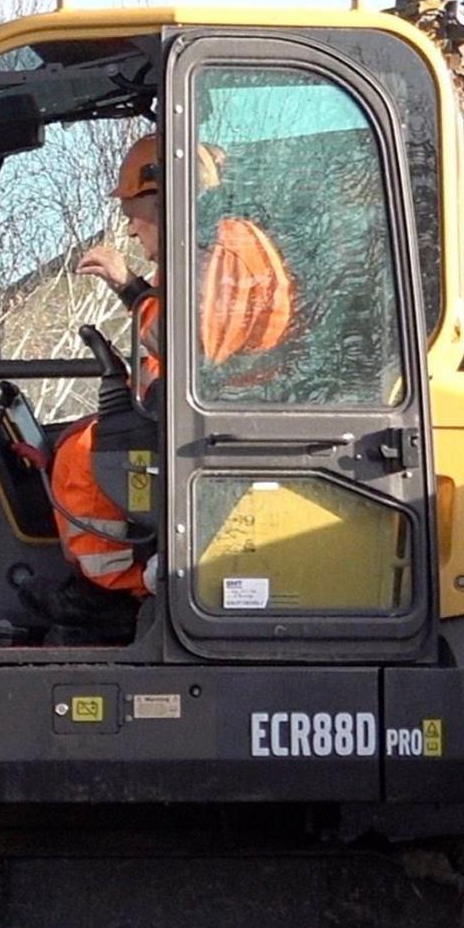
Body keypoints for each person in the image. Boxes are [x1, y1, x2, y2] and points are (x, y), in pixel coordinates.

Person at [48, 134, 299, 620]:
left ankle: (117, 593)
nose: (131, 233)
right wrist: (131, 289)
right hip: (222, 415)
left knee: (82, 456)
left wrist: (129, 287)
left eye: (133, 217)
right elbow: (178, 333)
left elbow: (193, 355)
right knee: (87, 438)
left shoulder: (223, 255)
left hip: (231, 427)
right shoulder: (202, 255)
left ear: (164, 203)